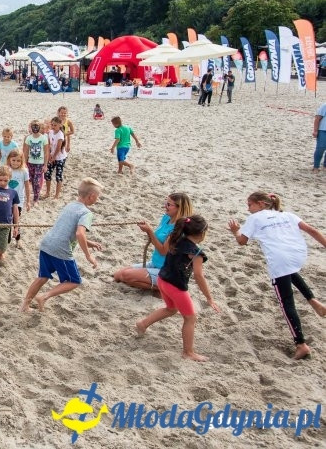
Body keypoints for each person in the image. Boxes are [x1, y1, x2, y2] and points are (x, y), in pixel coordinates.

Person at [228, 192, 326, 360]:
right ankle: (315, 302)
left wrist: (236, 231)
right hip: (297, 254)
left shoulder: (255, 218)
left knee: (286, 302)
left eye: (249, 205)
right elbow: (312, 230)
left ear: (260, 204)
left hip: (279, 259)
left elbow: (242, 241)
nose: (248, 208)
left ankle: (301, 344)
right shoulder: (287, 214)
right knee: (290, 271)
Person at [136, 215, 220, 362]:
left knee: (171, 309)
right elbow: (199, 277)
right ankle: (188, 352)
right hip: (176, 286)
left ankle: (143, 324)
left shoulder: (175, 238)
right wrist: (209, 298)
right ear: (202, 233)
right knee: (190, 318)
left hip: (162, 280)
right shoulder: (196, 253)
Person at [20, 178, 104, 312]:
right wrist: (88, 256)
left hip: (47, 244)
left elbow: (66, 230)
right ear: (91, 196)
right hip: (61, 249)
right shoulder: (86, 213)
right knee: (74, 281)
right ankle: (44, 296)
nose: (97, 199)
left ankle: (25, 305)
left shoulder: (70, 205)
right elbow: (79, 234)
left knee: (43, 276)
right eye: (97, 197)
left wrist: (89, 243)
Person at [113, 193, 193, 291]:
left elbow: (163, 251)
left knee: (126, 276)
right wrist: (149, 231)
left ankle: (165, 289)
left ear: (179, 208)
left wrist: (150, 231)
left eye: (169, 204)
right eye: (166, 203)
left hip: (166, 270)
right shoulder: (166, 218)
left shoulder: (178, 229)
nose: (165, 206)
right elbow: (157, 238)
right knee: (118, 275)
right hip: (155, 263)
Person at [23, 119, 48, 204]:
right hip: (30, 163)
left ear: (40, 127)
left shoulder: (44, 138)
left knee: (36, 181)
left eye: (37, 126)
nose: (35, 128)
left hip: (39, 164)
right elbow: (25, 152)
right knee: (29, 180)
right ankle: (28, 196)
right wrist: (24, 163)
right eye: (33, 126)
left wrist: (45, 165)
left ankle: (36, 198)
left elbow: (46, 152)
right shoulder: (28, 138)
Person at [43, 116, 68, 200]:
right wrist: (50, 154)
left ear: (60, 125)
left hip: (60, 158)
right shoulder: (50, 132)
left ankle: (57, 195)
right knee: (47, 174)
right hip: (52, 156)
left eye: (55, 125)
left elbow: (58, 148)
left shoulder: (60, 134)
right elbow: (49, 144)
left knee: (58, 175)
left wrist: (53, 157)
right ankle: (47, 192)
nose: (53, 127)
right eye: (52, 125)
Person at [314, 102, 326, 173]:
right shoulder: (324, 106)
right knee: (320, 148)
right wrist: (315, 130)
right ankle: (316, 166)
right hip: (323, 130)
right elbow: (317, 118)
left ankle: (325, 166)